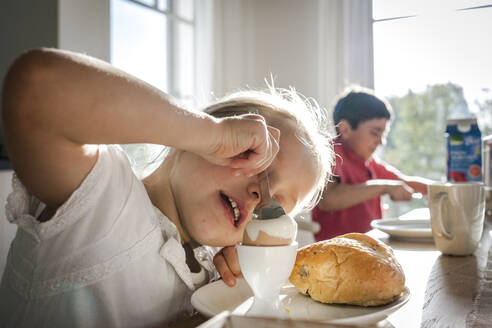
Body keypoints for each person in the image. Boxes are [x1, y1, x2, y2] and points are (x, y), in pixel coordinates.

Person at [0, 48, 333, 326]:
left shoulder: (211, 278)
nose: (264, 197)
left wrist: (238, 299)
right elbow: (38, 88)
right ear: (205, 135)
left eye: (279, 209)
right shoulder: (104, 199)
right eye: (256, 156)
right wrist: (210, 133)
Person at [312, 86, 431, 241]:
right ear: (345, 129)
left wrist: (444, 189)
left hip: (368, 249)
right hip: (335, 253)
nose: (381, 142)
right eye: (375, 133)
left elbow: (406, 182)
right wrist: (384, 187)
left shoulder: (370, 164)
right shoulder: (330, 153)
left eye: (384, 135)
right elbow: (329, 200)